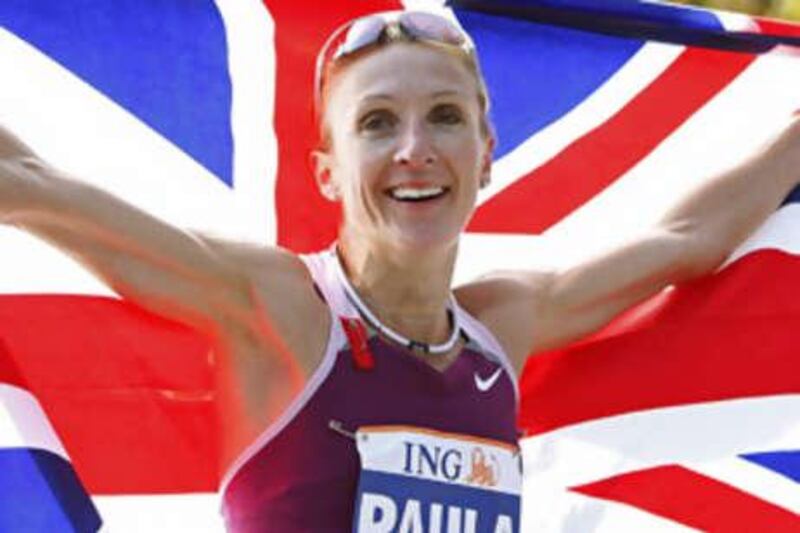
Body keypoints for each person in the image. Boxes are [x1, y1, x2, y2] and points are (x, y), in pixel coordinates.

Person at [1, 9, 799, 532]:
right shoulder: (282, 306)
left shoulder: (504, 325)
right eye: (377, 123)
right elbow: (33, 186)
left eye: (445, 117)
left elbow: (688, 238)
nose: (414, 149)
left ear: (485, 157)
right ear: (328, 173)